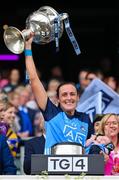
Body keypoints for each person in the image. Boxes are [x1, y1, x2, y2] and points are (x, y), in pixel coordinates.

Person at [24, 33, 94, 155]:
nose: (69, 98)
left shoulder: (85, 118)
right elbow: (34, 79)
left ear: (78, 97)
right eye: (64, 94)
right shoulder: (51, 113)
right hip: (53, 171)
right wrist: (28, 47)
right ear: (58, 99)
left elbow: (92, 144)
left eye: (72, 94)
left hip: (79, 171)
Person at [23, 110, 45, 174]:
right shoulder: (31, 144)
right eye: (47, 119)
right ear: (40, 124)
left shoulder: (65, 143)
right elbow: (27, 169)